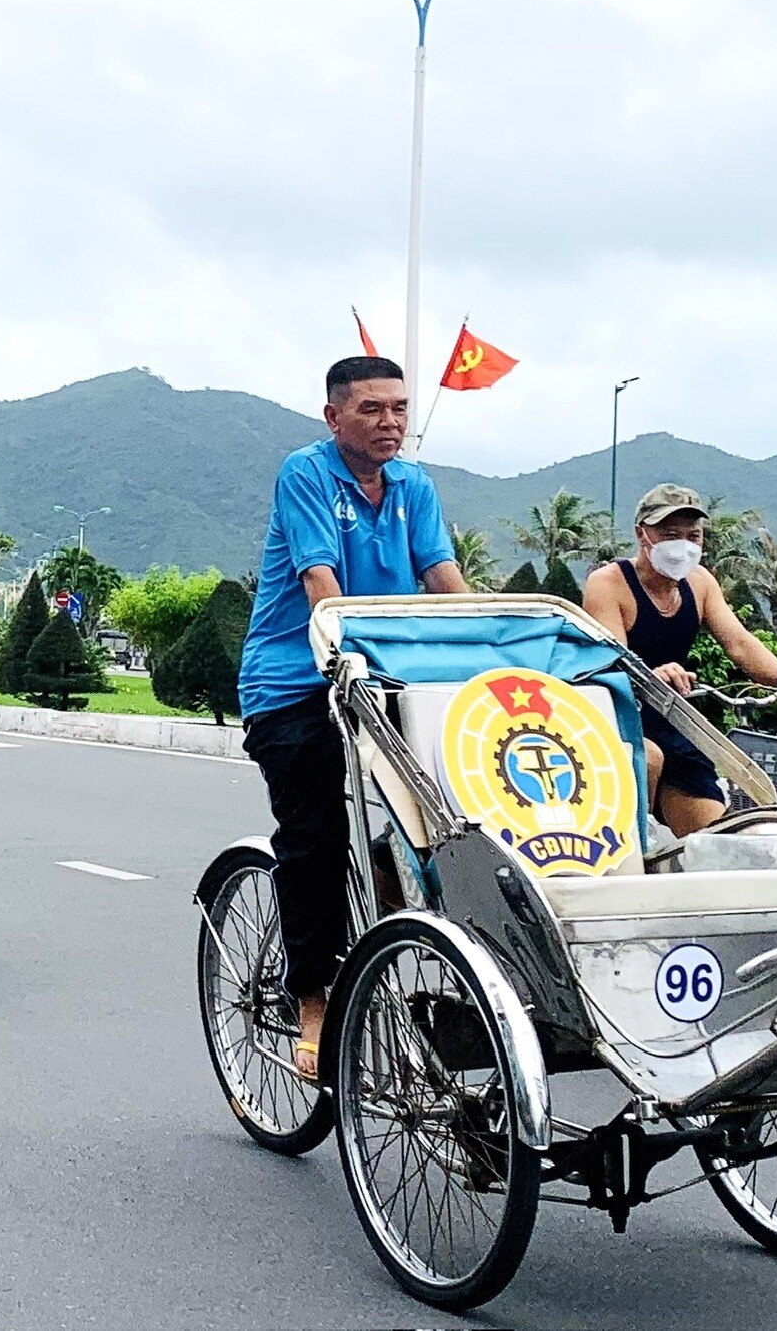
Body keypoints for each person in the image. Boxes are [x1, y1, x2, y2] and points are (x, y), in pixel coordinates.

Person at [236, 355, 469, 1078]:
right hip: (295, 680)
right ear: (334, 416)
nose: (390, 421)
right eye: (371, 409)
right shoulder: (306, 474)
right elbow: (320, 583)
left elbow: (443, 580)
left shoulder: (413, 485)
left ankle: (397, 922)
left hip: (385, 678)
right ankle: (314, 999)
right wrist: (344, 652)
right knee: (316, 835)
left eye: (399, 407)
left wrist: (489, 650)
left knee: (456, 811)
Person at [582, 484, 777, 837]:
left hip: (676, 722)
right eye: (670, 534)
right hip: (620, 718)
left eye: (693, 535)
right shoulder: (608, 584)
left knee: (716, 841)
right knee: (648, 760)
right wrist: (652, 674)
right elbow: (613, 661)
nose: (683, 544)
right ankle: (632, 853)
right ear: (642, 534)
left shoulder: (700, 583)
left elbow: (739, 643)